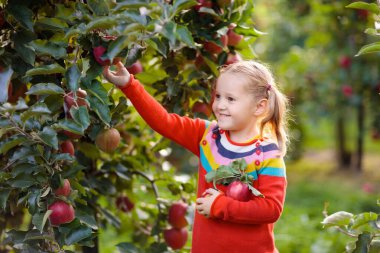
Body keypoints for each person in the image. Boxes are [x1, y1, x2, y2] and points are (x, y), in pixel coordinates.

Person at [103, 60, 289, 253]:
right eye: (218, 96)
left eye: (231, 99)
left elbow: (271, 208)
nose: (220, 105)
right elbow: (165, 122)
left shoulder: (268, 154)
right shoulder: (208, 136)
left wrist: (220, 205)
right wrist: (129, 85)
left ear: (259, 107)